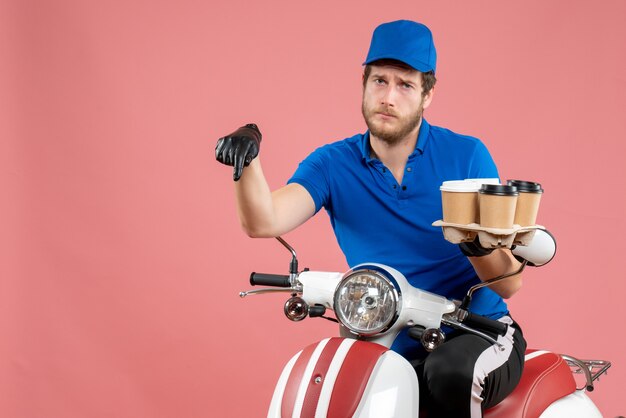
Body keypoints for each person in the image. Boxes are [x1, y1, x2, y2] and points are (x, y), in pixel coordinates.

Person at [215, 20, 526, 418]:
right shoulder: (333, 163)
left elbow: (511, 281)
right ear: (363, 84)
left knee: (449, 373)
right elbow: (264, 221)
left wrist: (470, 238)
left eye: (405, 85)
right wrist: (249, 157)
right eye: (379, 81)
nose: (388, 97)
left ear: (427, 94)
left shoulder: (466, 156)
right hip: (387, 332)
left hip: (478, 330)